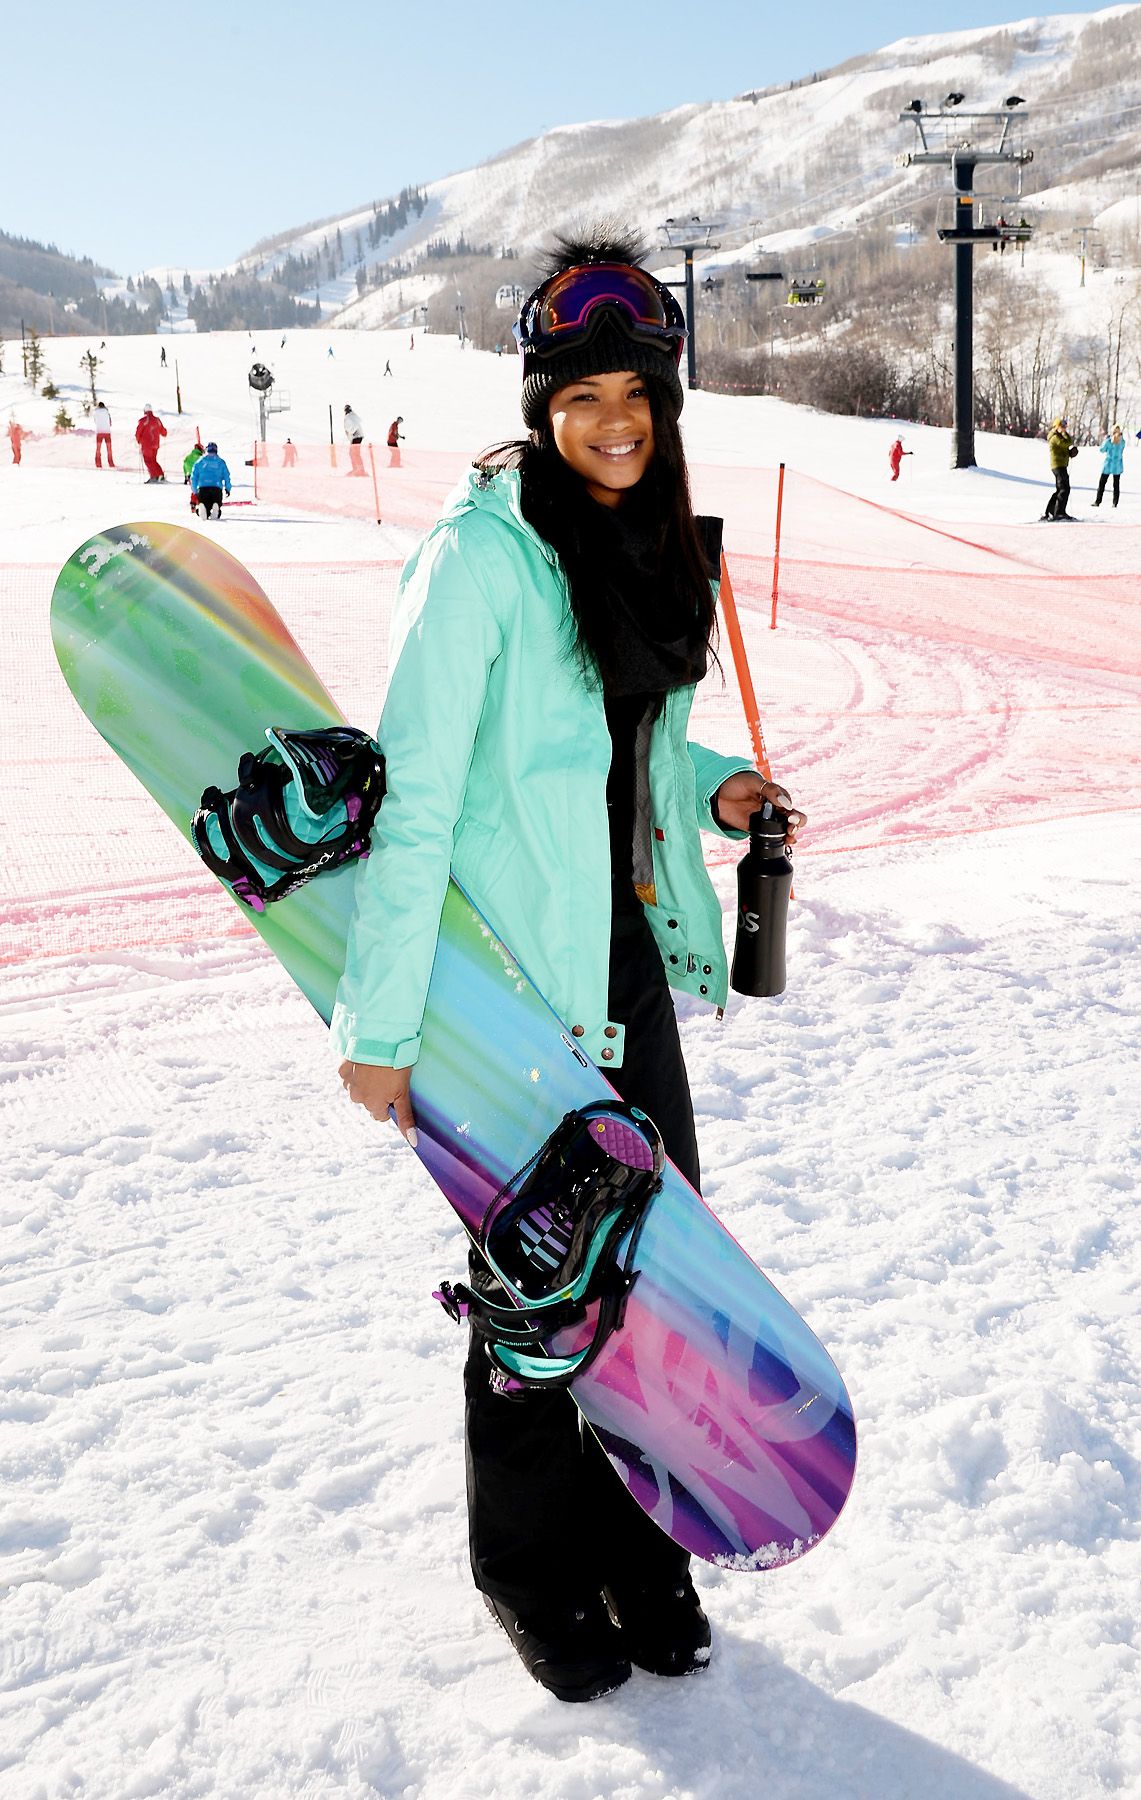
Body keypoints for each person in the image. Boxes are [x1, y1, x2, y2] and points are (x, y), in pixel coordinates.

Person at [334, 229, 805, 1705]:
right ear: (539, 403)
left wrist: (716, 785)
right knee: (542, 1291)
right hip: (506, 995)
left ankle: (638, 1544)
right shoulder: (477, 561)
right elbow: (414, 800)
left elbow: (633, 760)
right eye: (583, 392)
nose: (615, 420)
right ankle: (531, 1569)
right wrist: (383, 1017)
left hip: (626, 971)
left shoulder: (644, 550)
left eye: (640, 396)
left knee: (649, 1272)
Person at [1043, 417, 1077, 520]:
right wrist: (1064, 434)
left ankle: (1052, 511)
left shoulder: (1060, 436)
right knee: (1064, 489)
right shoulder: (1054, 437)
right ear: (1057, 427)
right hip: (1058, 465)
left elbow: (1068, 442)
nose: (1064, 428)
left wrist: (1069, 453)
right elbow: (1065, 443)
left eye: (1065, 427)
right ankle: (1059, 512)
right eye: (1062, 426)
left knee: (1061, 489)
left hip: (1062, 465)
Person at [190, 441, 232, 520]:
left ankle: (202, 506)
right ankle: (216, 505)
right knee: (217, 503)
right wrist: (228, 488)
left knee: (204, 505)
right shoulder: (221, 462)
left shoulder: (200, 462)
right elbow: (226, 476)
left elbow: (194, 477)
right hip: (216, 488)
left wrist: (195, 490)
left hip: (203, 488)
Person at [1093, 424, 1124, 508]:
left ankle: (1098, 501)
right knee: (1116, 485)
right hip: (1117, 465)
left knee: (1102, 483)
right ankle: (1115, 503)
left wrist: (1105, 440)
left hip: (1108, 464)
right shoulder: (1122, 441)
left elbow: (1102, 450)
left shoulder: (1109, 441)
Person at [135, 404, 167, 482]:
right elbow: (164, 432)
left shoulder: (143, 420)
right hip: (155, 444)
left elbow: (138, 432)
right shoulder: (157, 420)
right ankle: (160, 475)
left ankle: (154, 477)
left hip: (146, 444)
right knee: (153, 460)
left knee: (148, 461)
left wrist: (138, 440)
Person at [344, 403, 366, 475]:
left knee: (354, 453)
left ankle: (358, 469)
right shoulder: (353, 416)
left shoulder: (349, 417)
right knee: (353, 453)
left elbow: (353, 427)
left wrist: (353, 432)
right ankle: (358, 469)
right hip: (357, 437)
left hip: (356, 436)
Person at [93, 401, 115, 469]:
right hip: (107, 431)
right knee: (109, 448)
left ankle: (98, 463)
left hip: (99, 431)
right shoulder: (107, 412)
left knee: (98, 448)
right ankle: (111, 463)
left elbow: (95, 421)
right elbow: (110, 423)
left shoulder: (95, 412)